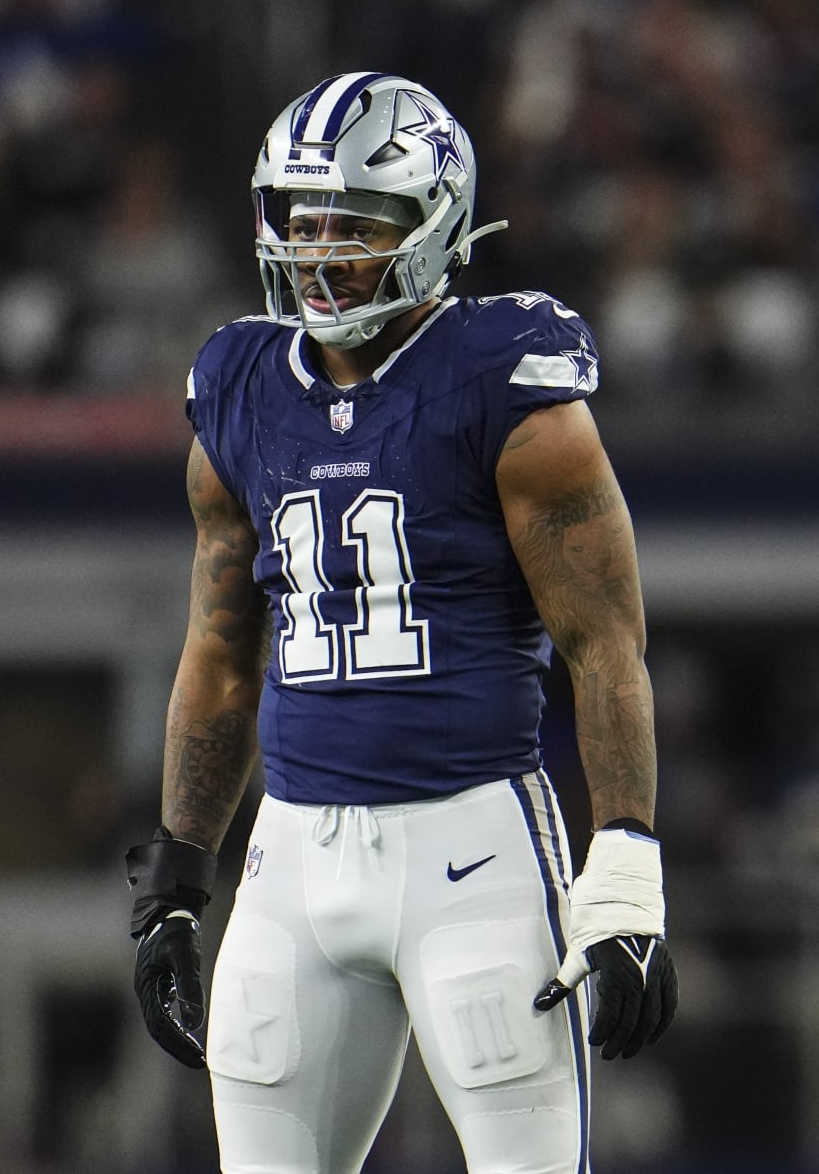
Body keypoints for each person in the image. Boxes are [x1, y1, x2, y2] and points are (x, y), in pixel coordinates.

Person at [125, 72, 678, 1172]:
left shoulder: (506, 387)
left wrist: (624, 875)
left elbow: (603, 645)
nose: (324, 249)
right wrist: (178, 879)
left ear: (435, 227)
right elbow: (223, 658)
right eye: (305, 217)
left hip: (471, 849)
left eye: (358, 224)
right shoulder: (239, 387)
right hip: (290, 858)